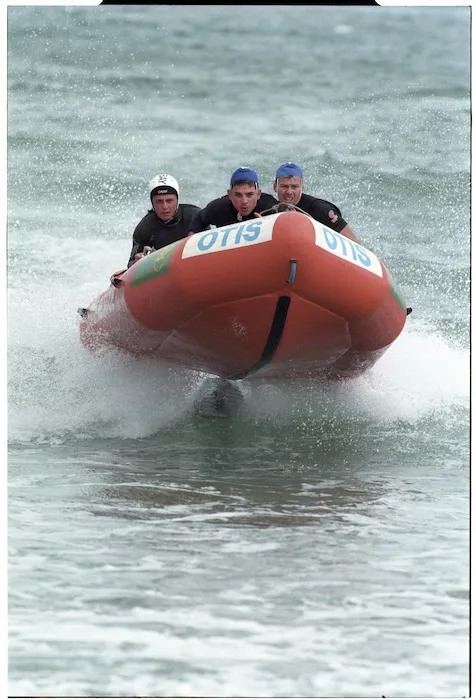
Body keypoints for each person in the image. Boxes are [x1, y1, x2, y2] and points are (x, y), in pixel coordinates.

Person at [272, 162, 359, 242]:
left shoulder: (321, 210)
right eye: (284, 186)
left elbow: (355, 244)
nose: (289, 192)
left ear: (302, 188)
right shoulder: (268, 206)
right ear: (275, 187)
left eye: (294, 187)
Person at [127, 174, 201, 268]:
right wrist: (138, 262)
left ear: (177, 200)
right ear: (152, 203)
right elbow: (130, 265)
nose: (165, 207)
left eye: (169, 201)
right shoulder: (144, 228)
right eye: (159, 202)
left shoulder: (195, 217)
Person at [187, 167, 278, 235]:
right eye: (238, 195)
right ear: (229, 195)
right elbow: (199, 219)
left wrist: (267, 226)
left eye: (249, 195)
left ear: (258, 194)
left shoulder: (271, 207)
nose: (244, 201)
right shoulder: (219, 207)